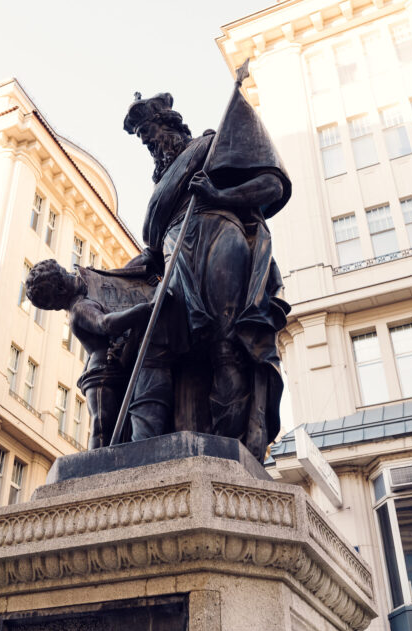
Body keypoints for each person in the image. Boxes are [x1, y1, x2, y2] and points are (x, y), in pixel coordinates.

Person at [122, 90, 291, 460]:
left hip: (218, 233)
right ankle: (152, 445)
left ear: (169, 125)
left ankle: (230, 449)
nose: (150, 145)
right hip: (172, 253)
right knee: (162, 348)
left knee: (225, 344)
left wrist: (219, 193)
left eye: (151, 134)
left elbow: (272, 185)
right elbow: (149, 254)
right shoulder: (160, 189)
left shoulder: (211, 147)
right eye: (145, 142)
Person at [25, 259, 152, 449]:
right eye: (67, 276)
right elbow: (105, 323)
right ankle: (96, 468)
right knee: (103, 425)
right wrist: (141, 310)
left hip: (112, 368)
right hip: (101, 375)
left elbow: (116, 276)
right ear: (61, 290)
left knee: (115, 424)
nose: (74, 276)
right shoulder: (79, 308)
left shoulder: (87, 294)